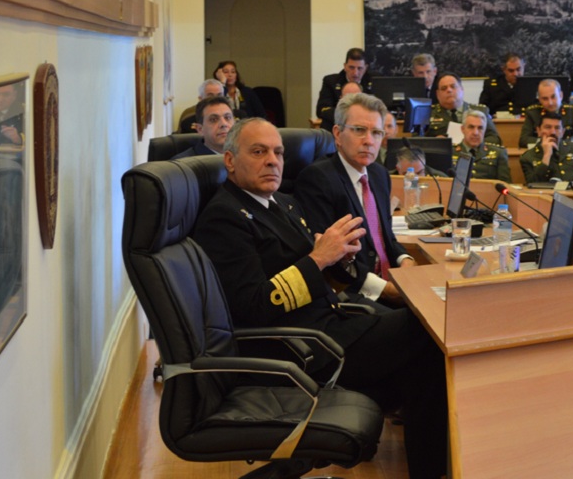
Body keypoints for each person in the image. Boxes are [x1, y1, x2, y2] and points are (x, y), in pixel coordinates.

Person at [192, 117, 448, 478]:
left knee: (423, 361)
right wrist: (319, 258)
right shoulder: (225, 217)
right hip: (302, 349)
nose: (273, 161)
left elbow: (319, 277)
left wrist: (341, 257)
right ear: (230, 161)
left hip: (329, 325)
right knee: (427, 329)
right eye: (259, 152)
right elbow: (254, 305)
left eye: (278, 152)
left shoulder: (282, 203)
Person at [296, 93, 415, 307]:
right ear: (338, 134)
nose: (369, 141)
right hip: (352, 293)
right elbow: (330, 261)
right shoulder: (318, 179)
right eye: (359, 130)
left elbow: (386, 238)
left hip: (391, 283)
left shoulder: (379, 174)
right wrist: (385, 290)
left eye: (376, 132)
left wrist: (405, 261)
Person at [519, 111, 573, 183]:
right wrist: (546, 156)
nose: (553, 132)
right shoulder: (527, 157)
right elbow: (532, 184)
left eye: (557, 128)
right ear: (538, 131)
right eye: (548, 127)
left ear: (563, 132)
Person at [425, 72, 501, 145]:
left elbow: (495, 139)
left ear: (462, 89)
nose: (449, 90)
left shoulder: (479, 111)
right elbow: (419, 139)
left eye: (453, 86)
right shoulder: (428, 113)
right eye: (444, 88)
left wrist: (475, 142)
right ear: (437, 94)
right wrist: (435, 142)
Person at [518, 78, 573, 147]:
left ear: (561, 95)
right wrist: (545, 142)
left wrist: (558, 143)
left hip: (566, 151)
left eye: (553, 97)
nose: (550, 102)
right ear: (539, 99)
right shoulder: (532, 113)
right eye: (545, 98)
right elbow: (523, 140)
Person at [316, 48, 374, 126]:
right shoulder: (331, 82)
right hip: (337, 126)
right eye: (351, 67)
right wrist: (352, 117)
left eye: (359, 68)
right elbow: (322, 110)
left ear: (366, 67)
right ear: (345, 66)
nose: (355, 73)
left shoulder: (373, 82)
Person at [451, 110, 511, 183]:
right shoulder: (450, 152)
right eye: (471, 127)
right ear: (463, 129)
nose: (475, 133)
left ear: (485, 130)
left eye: (480, 128)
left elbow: (506, 185)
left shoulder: (498, 153)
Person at [176, 79, 246, 134]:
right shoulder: (188, 119)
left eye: (219, 95)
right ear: (200, 99)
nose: (215, 99)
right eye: (210, 96)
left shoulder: (240, 116)